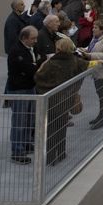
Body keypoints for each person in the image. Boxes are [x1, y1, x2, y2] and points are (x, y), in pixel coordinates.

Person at [34, 37, 89, 165]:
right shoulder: (75, 61)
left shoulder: (51, 63)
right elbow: (87, 65)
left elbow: (39, 78)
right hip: (67, 100)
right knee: (62, 127)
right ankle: (61, 153)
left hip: (52, 101)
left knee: (51, 129)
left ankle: (51, 157)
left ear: (58, 49)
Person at [7, 25, 43, 164]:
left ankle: (27, 143)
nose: (35, 41)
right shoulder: (17, 51)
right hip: (19, 89)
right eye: (32, 38)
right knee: (19, 121)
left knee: (29, 119)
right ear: (24, 38)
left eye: (36, 38)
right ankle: (17, 151)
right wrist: (39, 64)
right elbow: (30, 69)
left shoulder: (30, 48)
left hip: (30, 87)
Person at [81, 17, 103, 129]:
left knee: (102, 95)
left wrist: (90, 55)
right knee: (100, 94)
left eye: (95, 28)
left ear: (102, 29)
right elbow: (92, 48)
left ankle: (102, 118)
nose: (93, 29)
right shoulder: (96, 37)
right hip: (97, 71)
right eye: (93, 27)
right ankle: (101, 116)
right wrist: (85, 49)